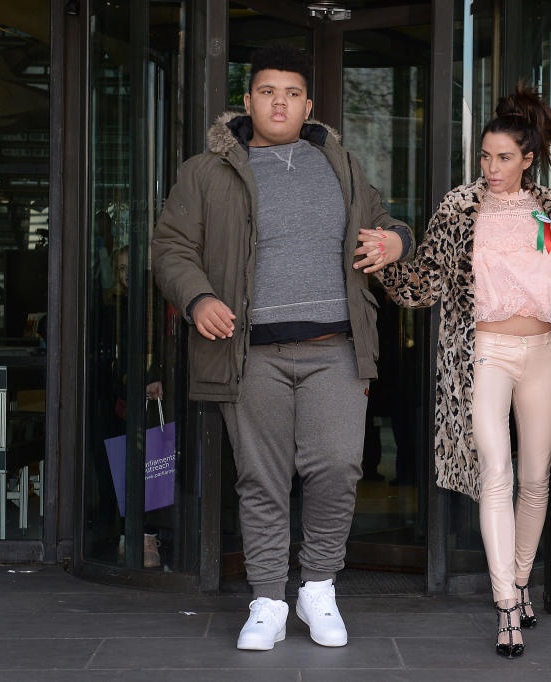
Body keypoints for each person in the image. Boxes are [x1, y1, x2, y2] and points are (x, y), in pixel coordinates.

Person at [151, 45, 413, 651]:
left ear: (307, 104)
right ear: (247, 101)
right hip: (250, 353)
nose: (279, 102)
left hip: (336, 349)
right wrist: (198, 300)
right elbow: (170, 248)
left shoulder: (341, 165)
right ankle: (267, 599)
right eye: (268, 92)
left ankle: (318, 586)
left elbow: (388, 224)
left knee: (340, 468)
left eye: (292, 93)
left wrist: (395, 243)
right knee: (261, 479)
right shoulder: (206, 171)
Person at [357, 84, 551, 658]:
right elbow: (428, 280)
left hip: (543, 356)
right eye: (485, 156)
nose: (493, 167)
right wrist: (390, 258)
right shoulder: (461, 208)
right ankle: (506, 603)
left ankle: (522, 580)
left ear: (528, 159)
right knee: (496, 475)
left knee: (535, 481)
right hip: (485, 355)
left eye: (504, 157)